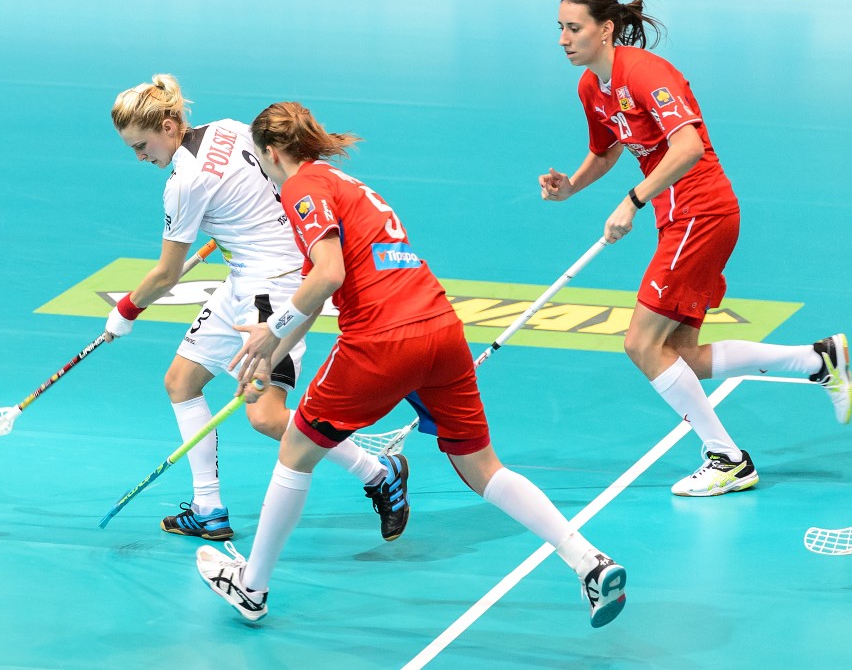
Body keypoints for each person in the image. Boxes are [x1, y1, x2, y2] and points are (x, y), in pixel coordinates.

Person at [194, 102, 627, 628]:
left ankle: (253, 587)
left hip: (380, 340)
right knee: (483, 468)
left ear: (272, 151)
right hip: (440, 329)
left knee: (296, 449)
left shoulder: (300, 188)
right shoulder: (344, 182)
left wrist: (271, 329)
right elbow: (317, 292)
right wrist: (272, 352)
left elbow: (327, 276)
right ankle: (588, 560)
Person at [539, 0, 852, 497]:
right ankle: (817, 360)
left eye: (574, 28)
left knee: (641, 344)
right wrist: (571, 187)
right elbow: (608, 149)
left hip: (700, 213)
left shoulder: (645, 73)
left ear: (605, 30)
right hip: (678, 218)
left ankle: (727, 458)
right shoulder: (591, 88)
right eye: (560, 28)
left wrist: (633, 200)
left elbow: (687, 145)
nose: (564, 39)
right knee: (679, 354)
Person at [104, 75, 408, 541]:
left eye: (141, 145)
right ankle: (208, 508)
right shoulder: (227, 127)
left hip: (278, 288)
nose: (140, 157)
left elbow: (167, 273)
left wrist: (125, 312)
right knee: (181, 381)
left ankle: (379, 472)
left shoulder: (183, 183)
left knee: (266, 415)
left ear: (168, 126)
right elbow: (260, 183)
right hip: (245, 275)